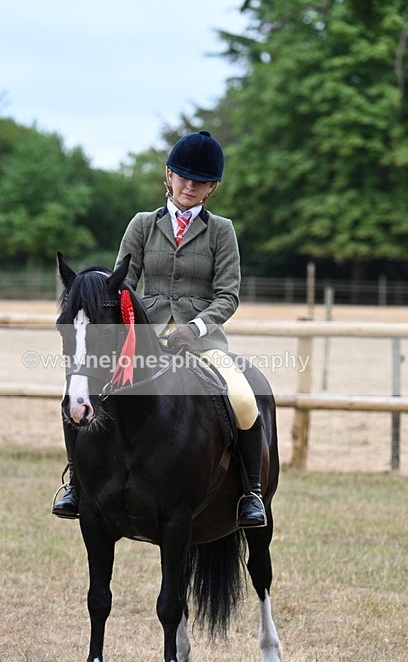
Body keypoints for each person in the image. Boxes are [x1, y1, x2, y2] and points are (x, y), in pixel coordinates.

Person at [52, 130, 266, 528]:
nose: (189, 185)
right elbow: (118, 284)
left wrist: (196, 327)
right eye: (182, 176)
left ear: (212, 187)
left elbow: (228, 295)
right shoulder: (142, 225)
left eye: (199, 181)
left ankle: (250, 494)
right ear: (168, 175)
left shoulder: (222, 231)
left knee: (243, 399)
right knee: (80, 393)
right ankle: (76, 484)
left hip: (201, 342)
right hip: (141, 338)